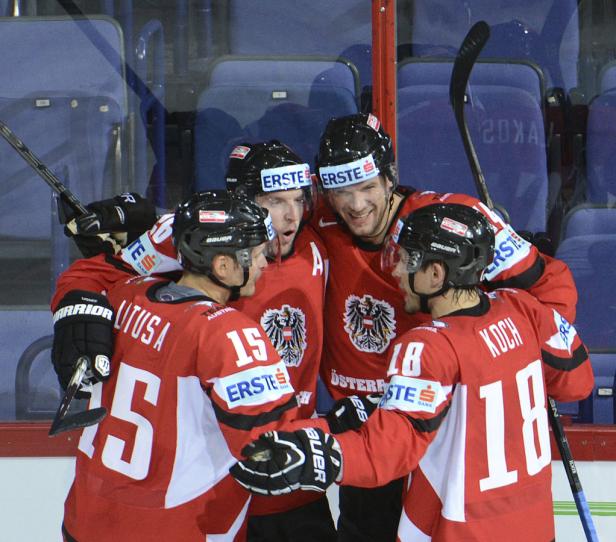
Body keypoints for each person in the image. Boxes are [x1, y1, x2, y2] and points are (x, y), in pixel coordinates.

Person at [230, 203, 595, 542]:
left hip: (461, 531)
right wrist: (381, 404)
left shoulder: (427, 346)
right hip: (534, 527)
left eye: (406, 261)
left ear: (436, 273)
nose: (396, 271)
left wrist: (316, 454)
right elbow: (577, 383)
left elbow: (388, 453)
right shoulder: (523, 308)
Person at [53, 142, 349, 541]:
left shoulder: (319, 235)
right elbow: (93, 275)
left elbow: (363, 196)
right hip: (221, 474)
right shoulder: (193, 238)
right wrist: (77, 303)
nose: (291, 215)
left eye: (299, 200)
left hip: (285, 476)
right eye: (274, 202)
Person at [309, 112, 580, 541]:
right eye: (341, 191)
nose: (355, 205)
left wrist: (519, 370)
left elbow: (550, 286)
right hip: (368, 437)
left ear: (389, 177)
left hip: (442, 441)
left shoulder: (450, 223)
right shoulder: (315, 220)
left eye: (366, 187)